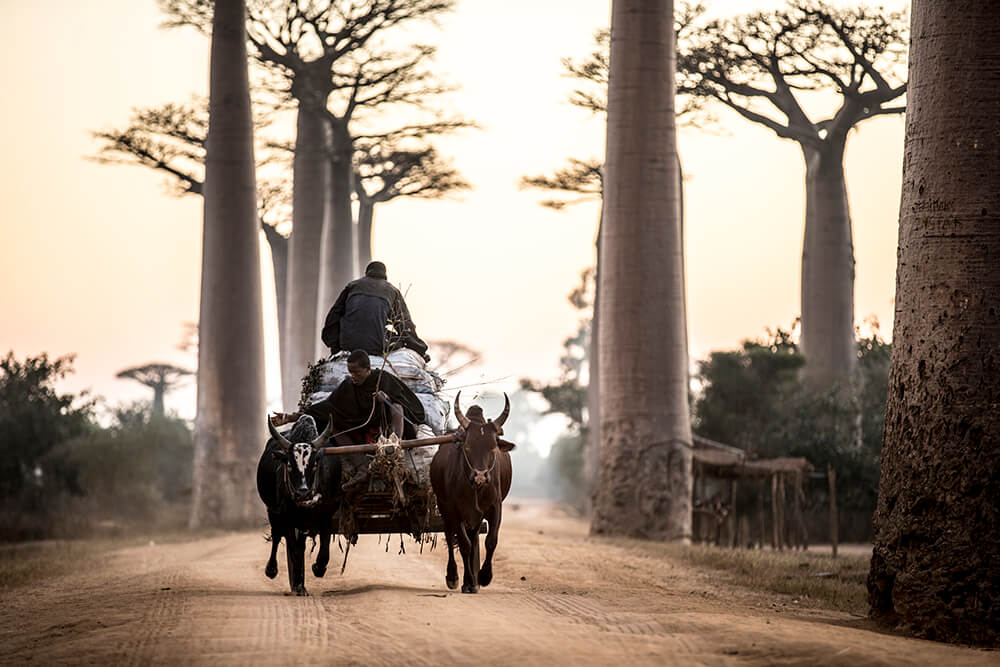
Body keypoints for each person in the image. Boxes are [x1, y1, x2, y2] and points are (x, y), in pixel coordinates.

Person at [271, 350, 426, 445]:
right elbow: (326, 407)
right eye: (350, 372)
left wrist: (386, 398)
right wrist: (289, 417)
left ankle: (395, 447)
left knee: (397, 408)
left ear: (367, 369)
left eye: (357, 372)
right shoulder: (348, 386)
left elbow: (403, 402)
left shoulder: (382, 379)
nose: (353, 376)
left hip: (384, 430)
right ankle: (358, 465)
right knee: (332, 423)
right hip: (358, 430)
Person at [321, 261, 429, 361]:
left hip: (347, 344)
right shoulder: (392, 291)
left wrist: (335, 345)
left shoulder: (352, 286)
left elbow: (333, 317)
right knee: (399, 340)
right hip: (375, 347)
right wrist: (420, 350)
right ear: (385, 275)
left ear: (367, 273)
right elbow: (405, 326)